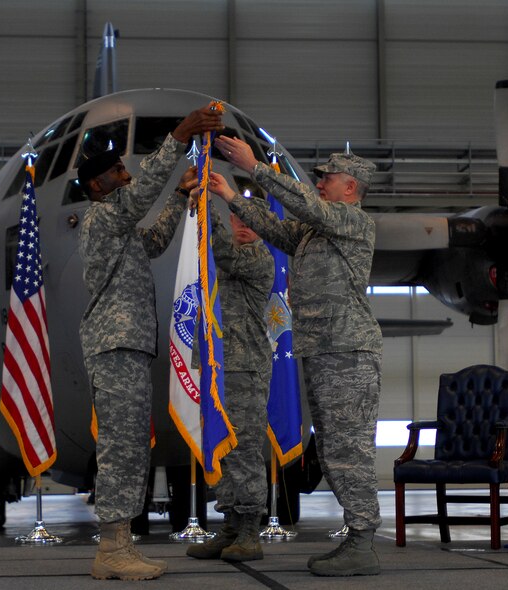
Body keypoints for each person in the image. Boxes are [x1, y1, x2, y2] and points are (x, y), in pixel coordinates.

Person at [208, 135, 383, 577]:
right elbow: (278, 228)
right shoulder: (316, 230)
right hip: (325, 350)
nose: (321, 183)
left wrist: (256, 167)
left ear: (351, 188)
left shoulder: (352, 220)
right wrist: (230, 195)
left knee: (349, 449)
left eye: (328, 178)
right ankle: (356, 537)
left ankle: (362, 541)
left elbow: (306, 206)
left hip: (348, 351)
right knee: (331, 447)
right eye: (320, 178)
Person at [77, 102, 224, 581]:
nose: (125, 173)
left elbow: (154, 239)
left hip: (129, 347)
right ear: (98, 185)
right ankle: (111, 550)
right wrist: (180, 135)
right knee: (120, 449)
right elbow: (139, 201)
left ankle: (119, 545)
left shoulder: (119, 227)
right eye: (118, 170)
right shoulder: (102, 217)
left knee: (131, 446)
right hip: (116, 347)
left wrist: (181, 197)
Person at [186, 201, 274, 563]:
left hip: (245, 368)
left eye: (252, 220)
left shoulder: (258, 258)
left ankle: (251, 527)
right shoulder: (221, 264)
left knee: (245, 449)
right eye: (238, 217)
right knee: (221, 447)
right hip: (219, 368)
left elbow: (223, 251)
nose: (243, 225)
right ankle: (231, 525)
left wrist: (205, 211)